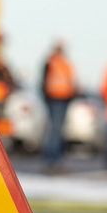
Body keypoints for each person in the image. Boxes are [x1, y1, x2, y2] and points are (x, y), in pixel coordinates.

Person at [40, 41, 76, 174]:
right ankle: (52, 160)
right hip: (54, 99)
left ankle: (56, 160)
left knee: (58, 131)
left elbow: (70, 82)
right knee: (55, 131)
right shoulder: (51, 62)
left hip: (64, 99)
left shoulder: (64, 64)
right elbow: (44, 81)